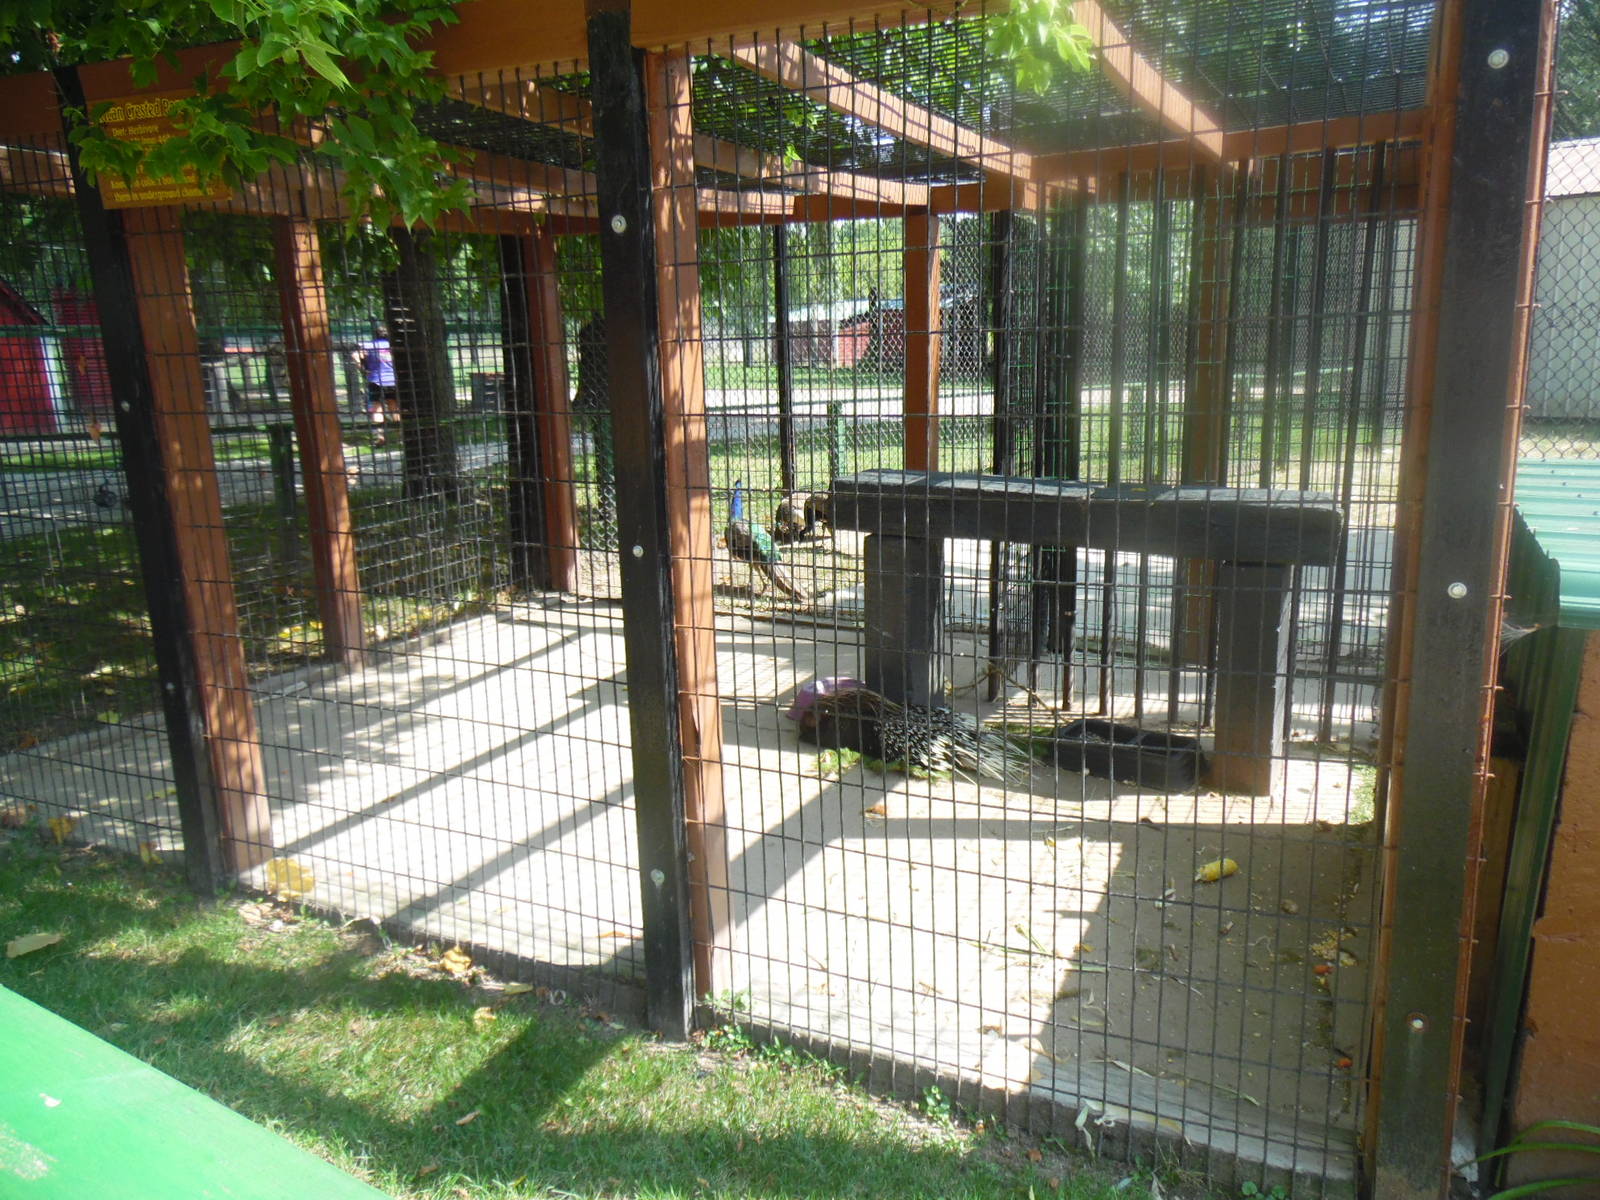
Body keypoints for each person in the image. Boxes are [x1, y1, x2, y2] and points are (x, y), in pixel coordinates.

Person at [574, 315, 613, 520]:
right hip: (603, 402)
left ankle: (608, 504)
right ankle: (608, 505)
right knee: (605, 454)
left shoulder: (588, 333)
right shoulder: (594, 333)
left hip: (603, 401)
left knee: (606, 454)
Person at [356, 324, 399, 446]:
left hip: (376, 380)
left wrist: (362, 369)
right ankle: (400, 435)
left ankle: (380, 436)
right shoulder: (393, 346)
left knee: (377, 409)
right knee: (394, 407)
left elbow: (355, 356)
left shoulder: (369, 345)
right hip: (393, 380)